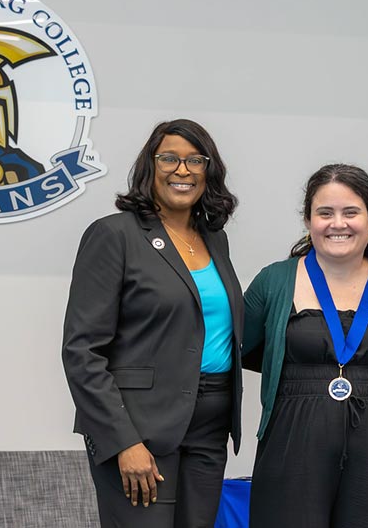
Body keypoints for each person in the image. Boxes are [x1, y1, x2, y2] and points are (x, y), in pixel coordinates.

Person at [62, 119, 243, 528]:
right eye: (170, 159)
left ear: (209, 170)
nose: (183, 170)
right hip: (139, 426)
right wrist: (123, 440)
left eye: (195, 160)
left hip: (209, 427)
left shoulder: (213, 238)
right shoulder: (115, 235)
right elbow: (82, 350)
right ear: (149, 166)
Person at [243, 164, 368, 528]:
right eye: (325, 213)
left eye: (351, 212)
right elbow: (240, 348)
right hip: (292, 437)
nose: (338, 223)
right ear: (308, 220)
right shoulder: (275, 279)